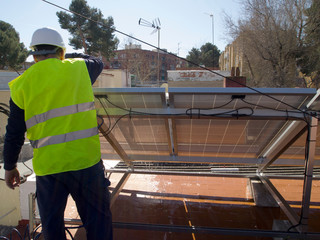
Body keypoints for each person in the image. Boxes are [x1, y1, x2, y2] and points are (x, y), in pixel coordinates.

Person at [3, 27, 113, 240]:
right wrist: (67, 55)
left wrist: (10, 167)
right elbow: (97, 61)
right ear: (61, 52)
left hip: (49, 170)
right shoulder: (80, 68)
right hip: (86, 165)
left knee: (52, 228)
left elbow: (14, 133)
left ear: (34, 56)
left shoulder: (20, 85)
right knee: (99, 224)